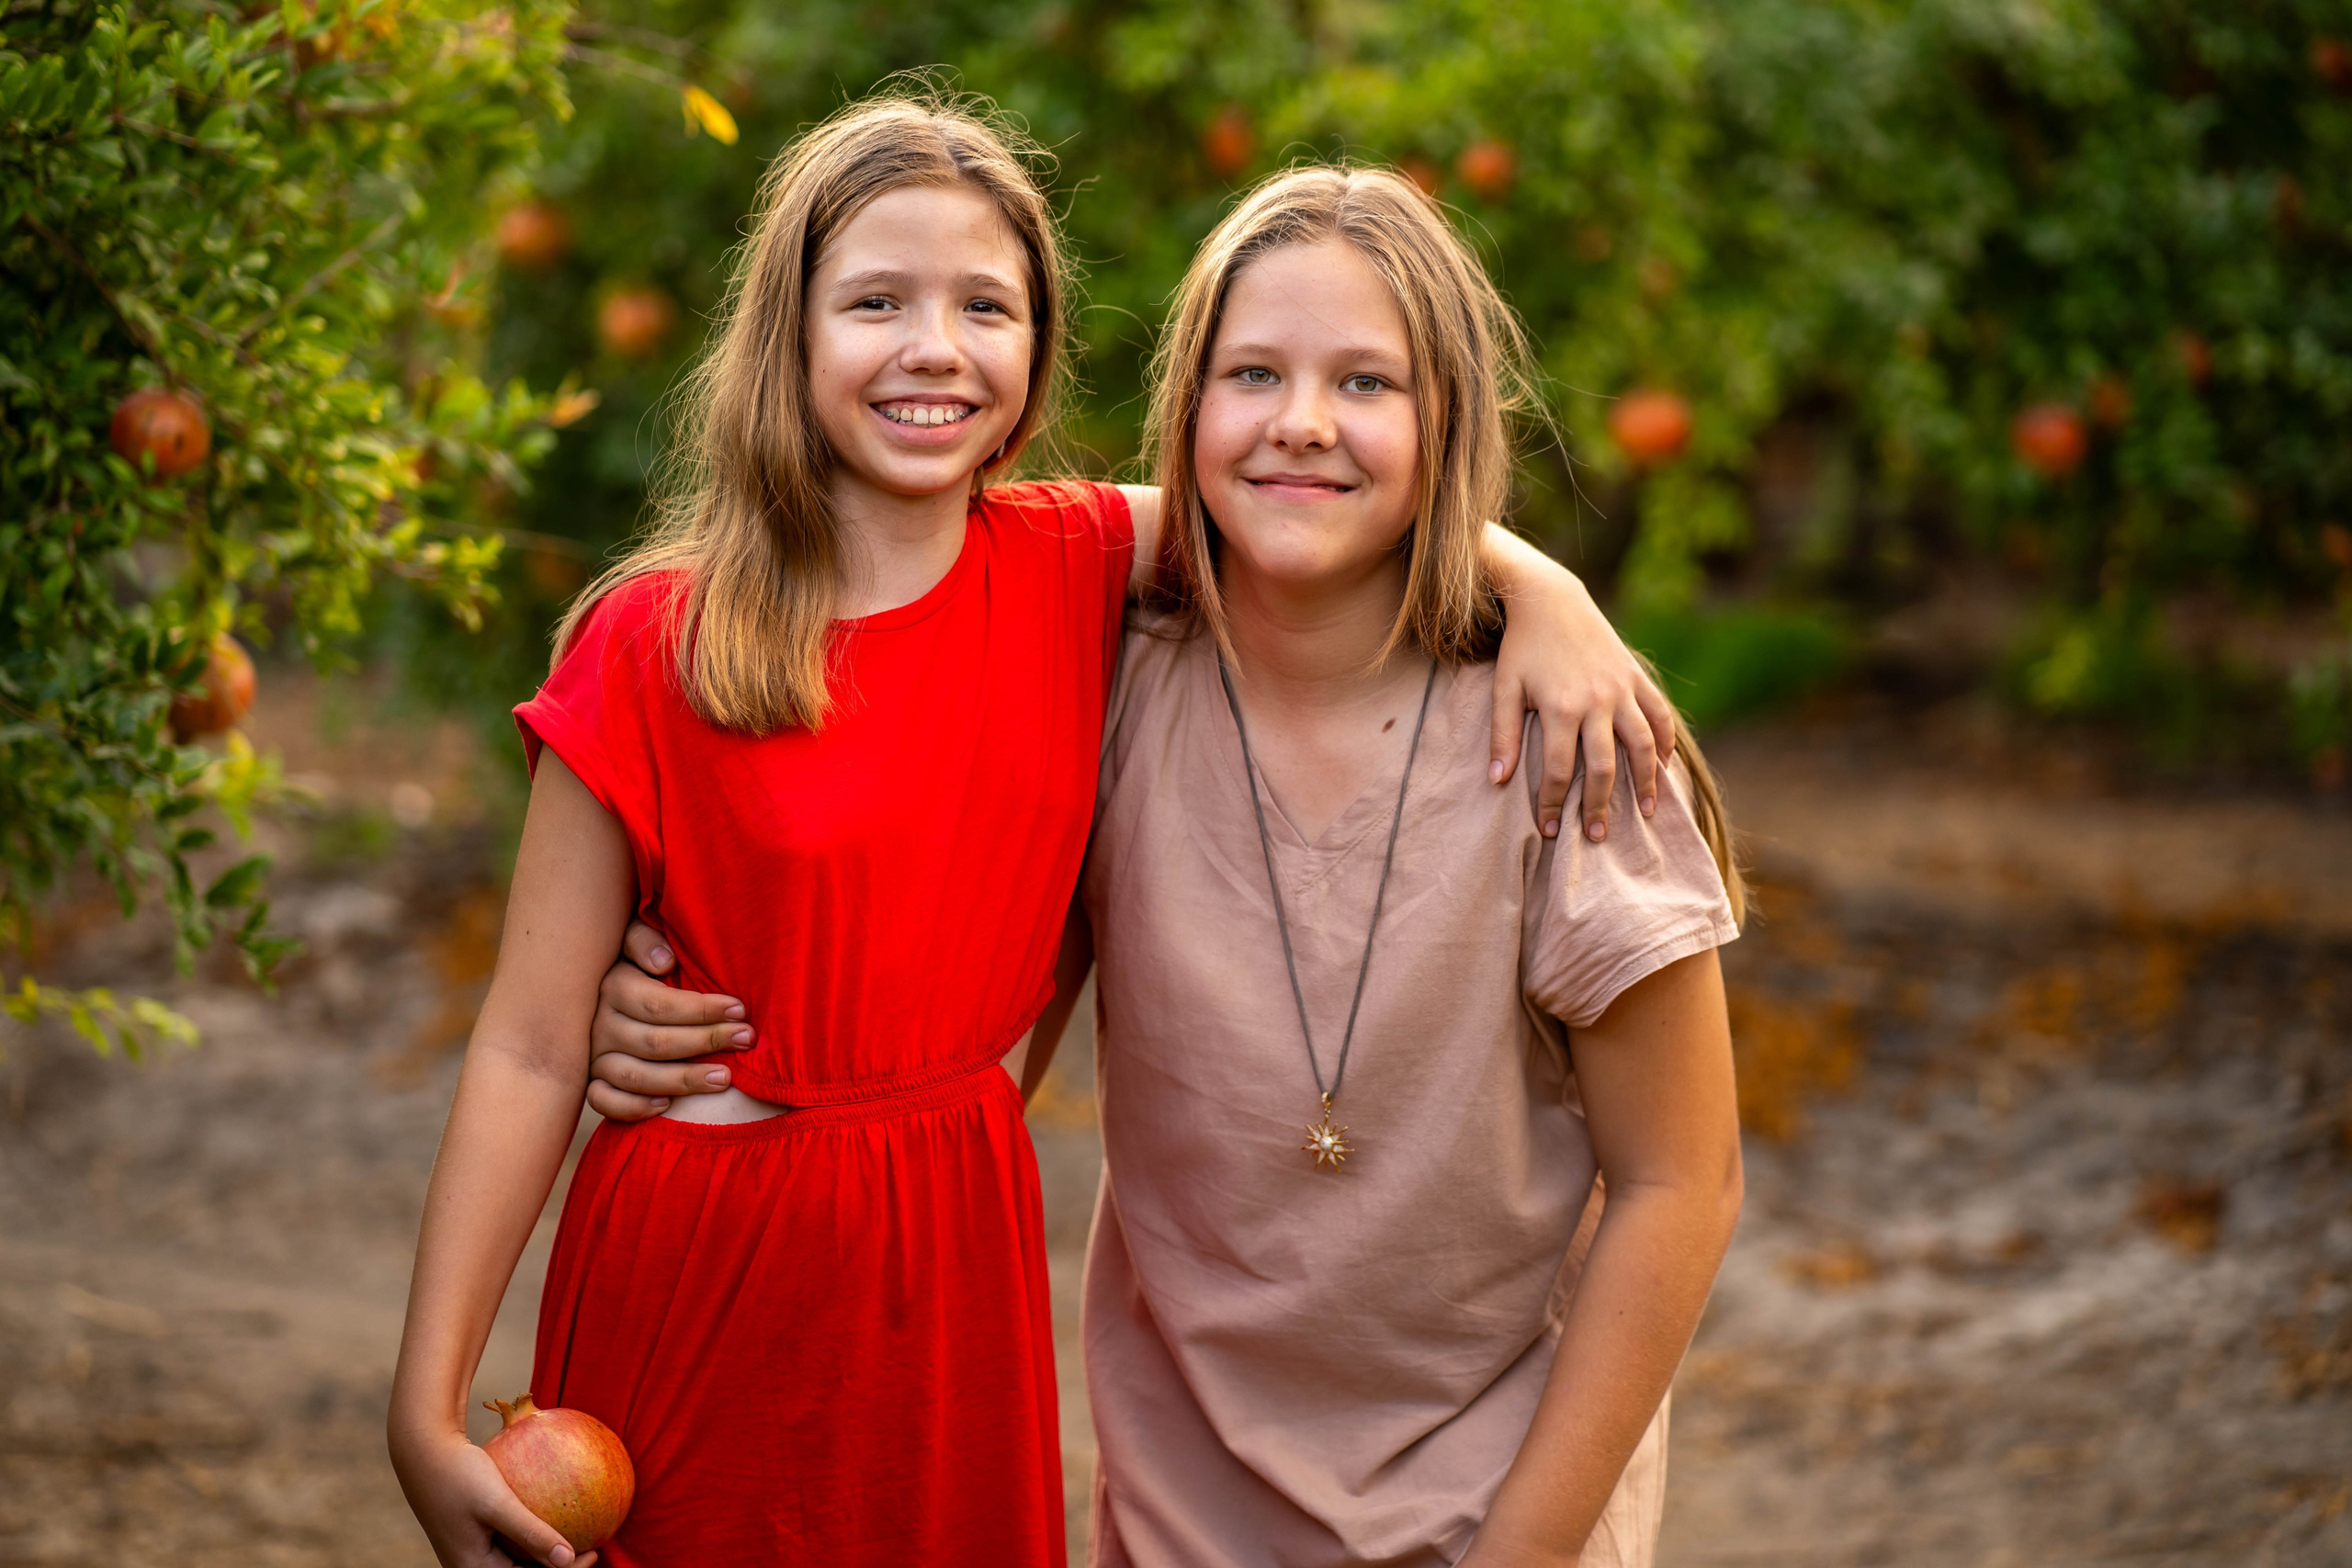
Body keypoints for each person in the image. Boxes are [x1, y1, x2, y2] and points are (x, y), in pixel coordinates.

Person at [390, 90, 1679, 1568]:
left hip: (947, 1273)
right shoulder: (650, 641)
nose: (934, 346)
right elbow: (530, 1046)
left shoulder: (1072, 565)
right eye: (876, 301)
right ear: (787, 333)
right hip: (696, 1263)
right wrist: (423, 1414)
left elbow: (1311, 489)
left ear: (1039, 344)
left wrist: (1548, 593)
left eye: (984, 306)